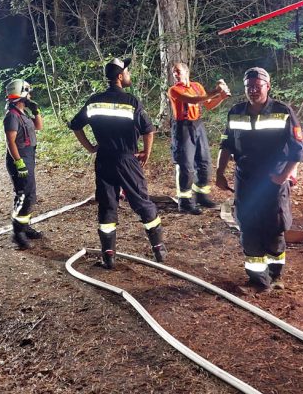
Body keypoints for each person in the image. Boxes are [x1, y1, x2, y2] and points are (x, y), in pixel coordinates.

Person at [69, 57, 166, 269]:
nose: (129, 75)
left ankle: (109, 256)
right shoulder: (131, 102)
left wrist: (90, 147)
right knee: (141, 201)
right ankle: (158, 249)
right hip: (126, 159)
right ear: (120, 77)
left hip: (104, 159)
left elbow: (76, 126)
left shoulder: (93, 101)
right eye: (128, 72)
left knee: (107, 205)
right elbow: (149, 131)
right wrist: (146, 154)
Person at [215, 67, 303, 292]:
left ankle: (276, 276)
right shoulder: (236, 112)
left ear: (268, 86)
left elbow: (298, 150)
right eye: (249, 87)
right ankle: (257, 280)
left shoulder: (282, 111)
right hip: (245, 180)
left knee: (274, 227)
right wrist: (219, 172)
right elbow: (226, 145)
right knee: (248, 226)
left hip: (273, 181)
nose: (253, 91)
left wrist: (282, 177)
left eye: (257, 86)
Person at [168, 62, 231, 214]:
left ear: (186, 71)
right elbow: (193, 100)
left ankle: (201, 196)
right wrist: (216, 91)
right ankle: (185, 203)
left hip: (198, 125)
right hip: (182, 127)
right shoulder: (174, 90)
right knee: (186, 166)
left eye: (178, 71)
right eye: (173, 72)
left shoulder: (197, 86)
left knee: (204, 162)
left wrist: (221, 96)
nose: (175, 74)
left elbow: (208, 105)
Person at [3, 78, 44, 249]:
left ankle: (24, 227)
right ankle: (17, 232)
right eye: (28, 92)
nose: (31, 95)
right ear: (22, 94)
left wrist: (36, 111)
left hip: (28, 156)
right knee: (23, 195)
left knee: (30, 194)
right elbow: (10, 141)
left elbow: (38, 127)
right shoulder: (12, 116)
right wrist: (18, 162)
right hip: (19, 158)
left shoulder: (22, 113)